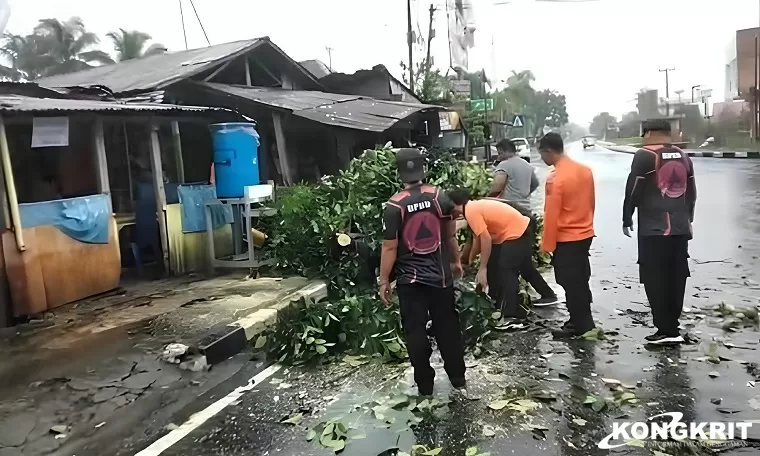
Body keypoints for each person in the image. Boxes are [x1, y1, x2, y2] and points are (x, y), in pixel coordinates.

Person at [378, 148, 468, 398]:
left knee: (415, 330)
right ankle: (458, 377)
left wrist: (384, 279)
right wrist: (456, 261)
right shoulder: (440, 197)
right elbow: (450, 235)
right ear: (423, 169)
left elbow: (390, 246)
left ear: (399, 172)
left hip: (410, 280)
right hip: (440, 276)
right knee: (448, 326)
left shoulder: (394, 205)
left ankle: (425, 385)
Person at [623, 119, 696, 345]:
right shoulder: (684, 156)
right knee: (676, 275)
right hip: (680, 228)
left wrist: (627, 217)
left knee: (655, 277)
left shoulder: (644, 155)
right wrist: (688, 218)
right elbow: (692, 192)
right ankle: (672, 326)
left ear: (649, 132)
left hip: (654, 230)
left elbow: (633, 190)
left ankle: (665, 330)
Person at [448, 190, 555, 322]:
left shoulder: (471, 211)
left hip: (515, 232)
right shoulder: (472, 207)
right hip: (521, 228)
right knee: (525, 267)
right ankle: (548, 295)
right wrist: (469, 260)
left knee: (506, 269)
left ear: (453, 204)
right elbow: (477, 240)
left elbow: (485, 239)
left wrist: (482, 268)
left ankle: (511, 311)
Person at [538, 132, 596, 338]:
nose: (543, 159)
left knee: (569, 282)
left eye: (542, 154)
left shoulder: (555, 179)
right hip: (585, 233)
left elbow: (551, 214)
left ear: (548, 151)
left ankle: (579, 325)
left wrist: (547, 246)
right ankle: (583, 320)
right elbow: (591, 202)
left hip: (566, 237)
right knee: (581, 279)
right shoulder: (585, 171)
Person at [488, 138, 557, 305]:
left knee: (504, 262)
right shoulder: (526, 165)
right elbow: (534, 184)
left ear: (504, 151)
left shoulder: (504, 166)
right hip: (527, 215)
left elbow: (497, 187)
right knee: (524, 262)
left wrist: (486, 199)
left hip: (510, 215)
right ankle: (547, 294)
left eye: (499, 152)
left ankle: (504, 300)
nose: (498, 156)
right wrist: (523, 195)